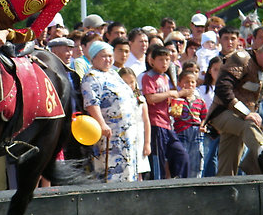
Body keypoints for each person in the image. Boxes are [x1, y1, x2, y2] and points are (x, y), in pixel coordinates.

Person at [206, 40, 263, 176]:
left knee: (228, 166)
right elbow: (223, 88)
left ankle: (225, 191)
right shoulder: (241, 59)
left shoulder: (260, 68)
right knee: (248, 125)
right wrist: (247, 113)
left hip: (238, 117)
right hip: (222, 112)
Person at [81, 41, 138, 182]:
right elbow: (92, 103)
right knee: (111, 171)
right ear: (93, 57)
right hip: (110, 133)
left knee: (128, 169)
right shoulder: (91, 76)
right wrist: (102, 124)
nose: (108, 59)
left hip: (126, 134)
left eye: (110, 56)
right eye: (103, 56)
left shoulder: (114, 73)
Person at [141, 45, 191, 179]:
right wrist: (171, 93)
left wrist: (173, 104)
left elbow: (165, 99)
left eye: (167, 59)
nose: (164, 63)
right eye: (161, 59)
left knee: (181, 155)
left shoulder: (165, 78)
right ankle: (158, 187)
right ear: (152, 61)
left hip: (167, 123)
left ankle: (180, 183)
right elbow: (150, 98)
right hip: (155, 124)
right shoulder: (148, 77)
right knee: (158, 161)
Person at [172, 70, 208, 177]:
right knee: (183, 159)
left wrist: (203, 125)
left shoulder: (200, 101)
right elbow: (174, 114)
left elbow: (204, 117)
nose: (190, 85)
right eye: (186, 82)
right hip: (182, 132)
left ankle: (195, 181)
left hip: (197, 133)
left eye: (192, 82)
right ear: (179, 83)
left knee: (197, 159)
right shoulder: (178, 100)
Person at [118, 67, 151, 179]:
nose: (129, 85)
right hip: (126, 139)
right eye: (125, 82)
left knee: (139, 171)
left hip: (140, 139)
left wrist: (147, 143)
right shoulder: (117, 101)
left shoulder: (141, 100)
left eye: (132, 82)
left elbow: (146, 121)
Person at [199, 56, 222, 177]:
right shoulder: (203, 89)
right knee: (208, 158)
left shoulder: (226, 89)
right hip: (209, 128)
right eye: (215, 69)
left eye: (221, 70)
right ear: (209, 70)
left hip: (223, 127)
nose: (218, 73)